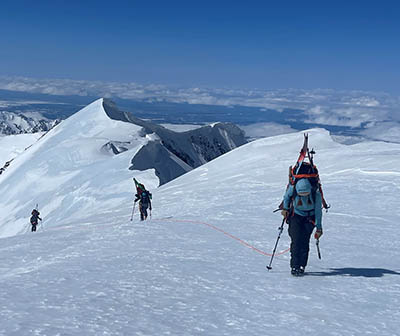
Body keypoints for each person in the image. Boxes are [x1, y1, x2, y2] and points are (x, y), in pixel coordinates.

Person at [281, 176, 323, 276]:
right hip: (296, 216)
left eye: (306, 194)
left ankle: (302, 265)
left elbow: (318, 211)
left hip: (309, 218)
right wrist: (285, 208)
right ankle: (295, 265)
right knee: (296, 240)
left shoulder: (315, 193)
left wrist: (319, 227)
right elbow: (286, 197)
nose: (304, 196)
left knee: (304, 241)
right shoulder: (293, 188)